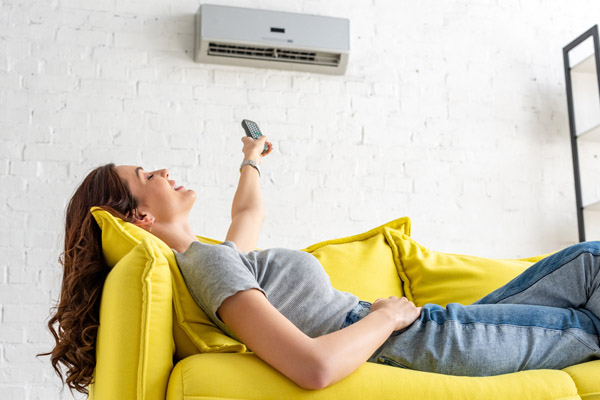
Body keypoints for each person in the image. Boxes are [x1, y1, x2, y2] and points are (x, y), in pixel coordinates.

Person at [39, 135, 600, 396]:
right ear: (137, 216)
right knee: (589, 317)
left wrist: (250, 160)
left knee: (585, 263)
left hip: (425, 332)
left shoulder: (215, 257)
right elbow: (311, 368)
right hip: (418, 340)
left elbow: (249, 212)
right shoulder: (208, 266)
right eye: (146, 175)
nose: (162, 170)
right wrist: (388, 316)